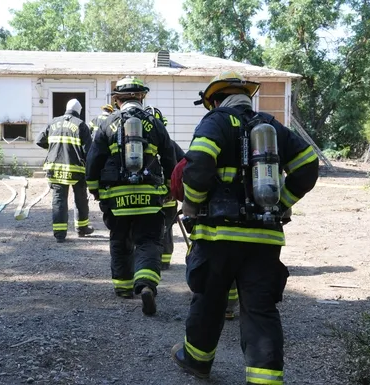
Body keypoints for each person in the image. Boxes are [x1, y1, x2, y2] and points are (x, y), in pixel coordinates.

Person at [170, 70, 319, 383]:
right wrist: (281, 202)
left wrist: (194, 205)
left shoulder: (216, 121)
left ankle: (197, 359)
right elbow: (308, 165)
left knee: (209, 299)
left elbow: (197, 167)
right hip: (264, 234)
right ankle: (265, 379)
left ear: (215, 100)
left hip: (217, 233)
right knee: (260, 308)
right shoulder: (271, 126)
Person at [86, 76, 176, 316]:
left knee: (120, 239)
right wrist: (169, 186)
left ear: (117, 100)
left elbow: (94, 160)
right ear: (141, 97)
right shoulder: (154, 123)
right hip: (149, 194)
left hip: (116, 197)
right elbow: (169, 156)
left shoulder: (107, 123)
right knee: (148, 241)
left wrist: (94, 187)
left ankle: (123, 287)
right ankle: (146, 285)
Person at [35, 99, 94, 243]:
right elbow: (88, 150)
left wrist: (53, 148)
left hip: (54, 168)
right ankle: (82, 229)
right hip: (76, 169)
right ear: (79, 111)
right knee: (80, 199)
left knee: (59, 200)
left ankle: (60, 234)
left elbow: (39, 140)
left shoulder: (53, 122)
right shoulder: (81, 125)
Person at [145, 106, 185, 270]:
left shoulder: (141, 148)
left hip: (149, 197)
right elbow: (184, 165)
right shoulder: (172, 145)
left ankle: (148, 260)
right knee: (167, 229)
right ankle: (165, 260)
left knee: (147, 229)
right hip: (168, 197)